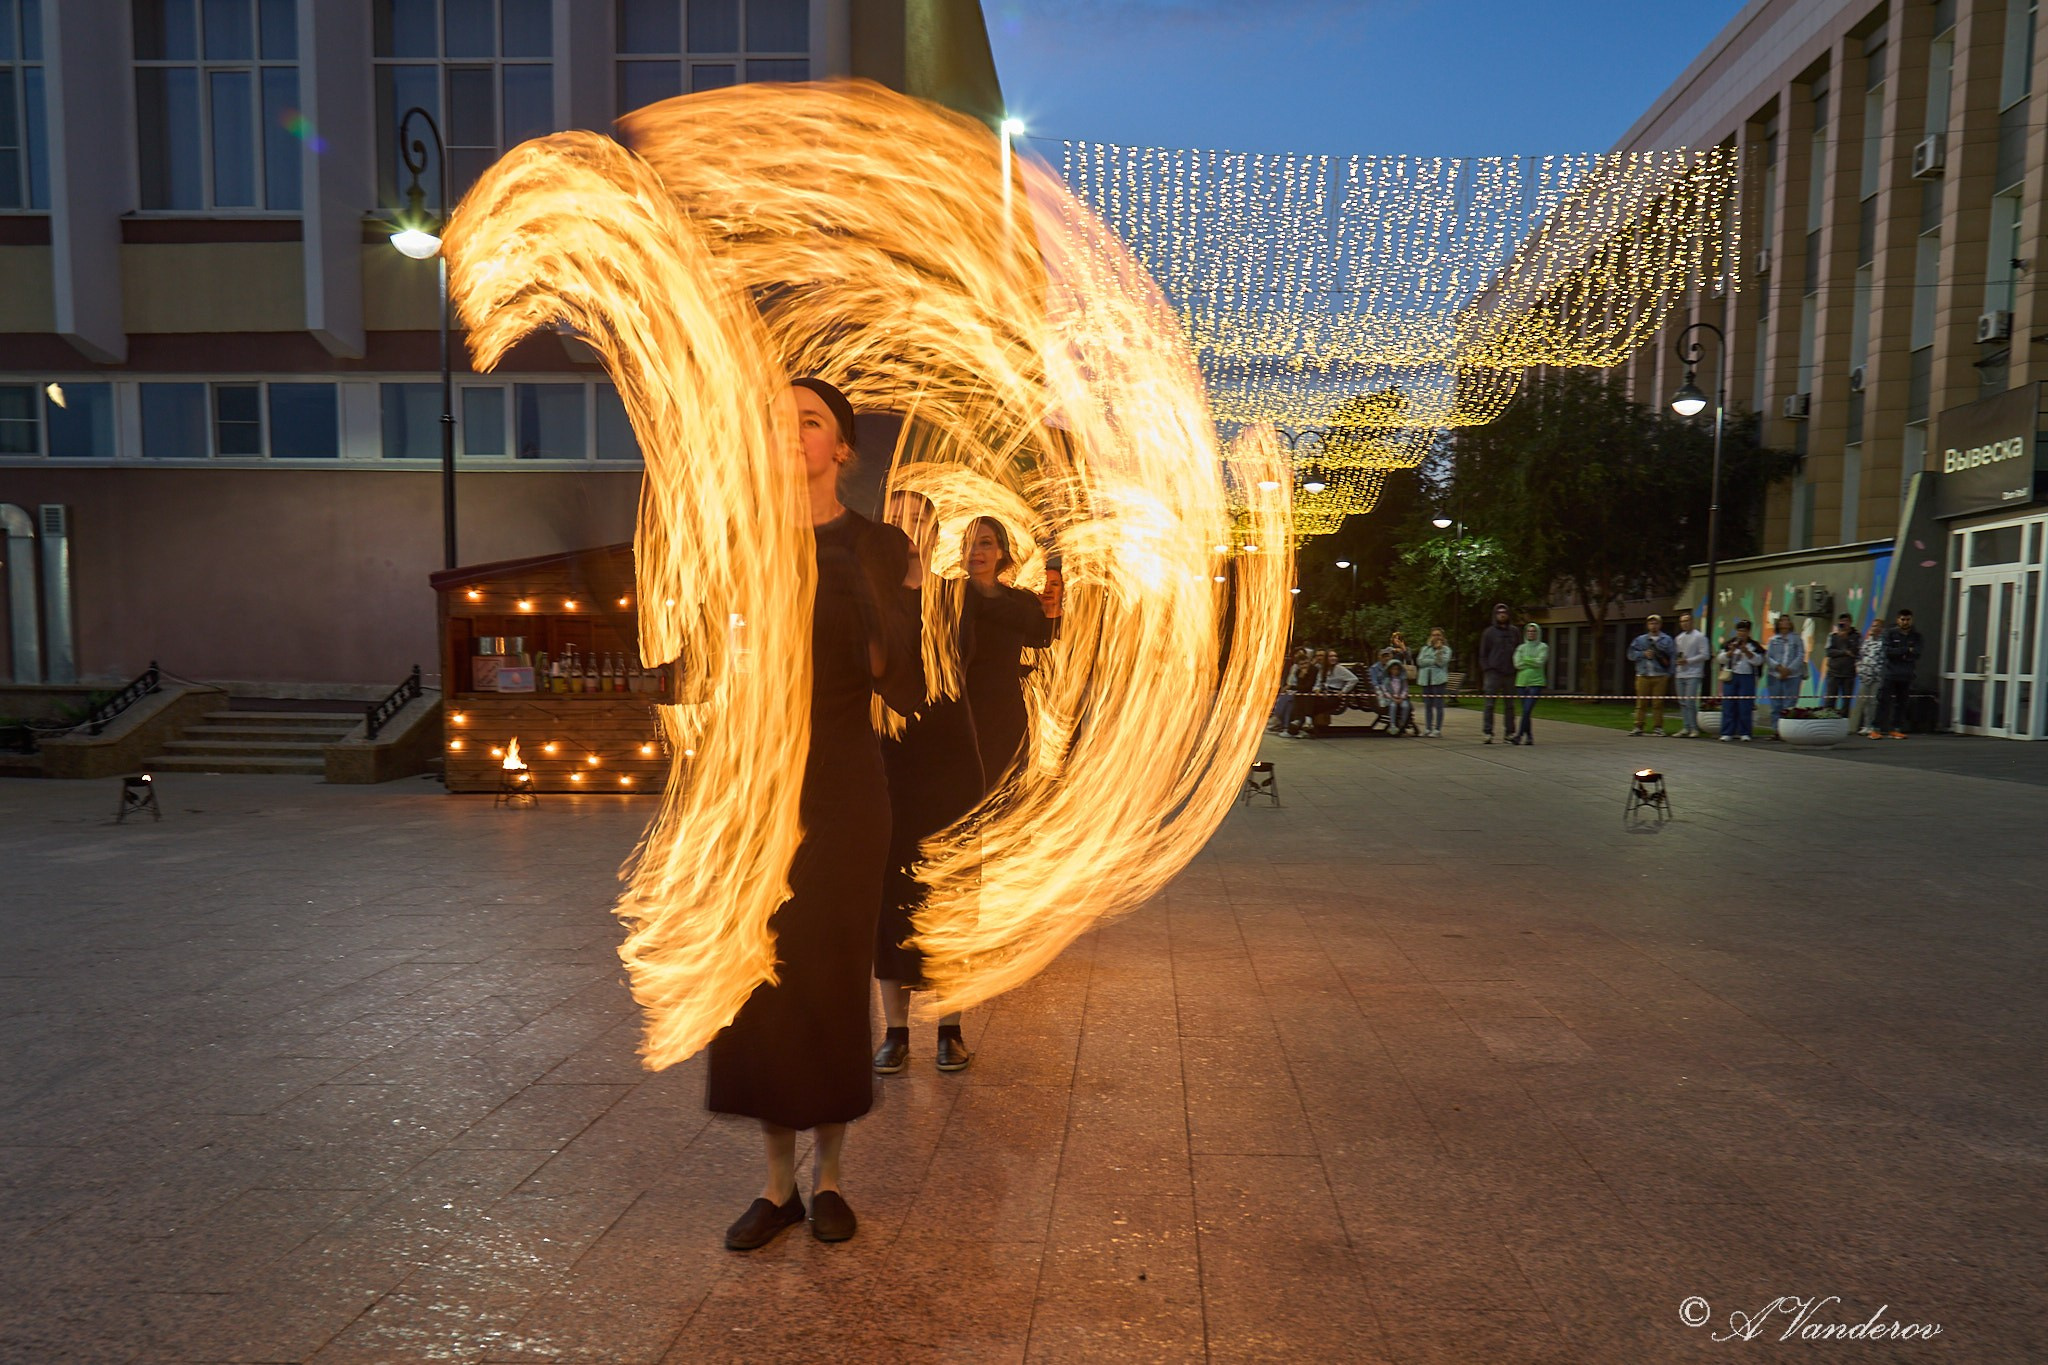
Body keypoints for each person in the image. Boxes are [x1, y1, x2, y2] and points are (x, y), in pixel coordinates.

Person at [711, 377, 923, 1252]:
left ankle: (830, 1177)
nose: (791, 434)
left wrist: (883, 609)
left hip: (840, 780)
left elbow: (903, 683)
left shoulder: (879, 544)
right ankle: (775, 1187)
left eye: (810, 422)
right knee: (763, 979)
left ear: (843, 448)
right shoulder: (739, 542)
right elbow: (713, 661)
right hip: (758, 781)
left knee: (831, 974)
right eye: (777, 422)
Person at [872, 490, 985, 1080]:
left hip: (948, 768)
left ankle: (950, 1028)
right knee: (889, 902)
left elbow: (953, 663)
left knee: (950, 899)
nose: (908, 531)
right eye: (896, 520)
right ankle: (893, 1032)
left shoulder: (957, 598)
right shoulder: (865, 595)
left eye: (918, 520)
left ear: (937, 533)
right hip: (887, 765)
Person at [962, 516, 1059, 781]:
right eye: (969, 544)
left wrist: (1052, 602)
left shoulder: (1019, 600)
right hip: (962, 718)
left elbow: (1042, 637)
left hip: (1006, 719)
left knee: (1003, 794)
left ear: (1000, 552)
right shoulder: (953, 597)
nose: (976, 551)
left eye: (985, 543)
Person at [1874, 607, 1923, 739]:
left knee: (1901, 703)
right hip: (1890, 673)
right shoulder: (1889, 633)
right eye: (1903, 619)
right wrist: (1906, 650)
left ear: (1911, 620)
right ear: (1898, 620)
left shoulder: (1916, 636)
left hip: (1906, 674)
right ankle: (1876, 729)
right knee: (1883, 701)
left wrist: (1900, 652)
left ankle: (1896, 728)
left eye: (1908, 619)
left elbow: (1917, 653)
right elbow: (1888, 652)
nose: (1905, 622)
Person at [1627, 613, 1676, 737]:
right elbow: (1631, 654)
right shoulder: (1640, 640)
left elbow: (1672, 657)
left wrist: (1669, 674)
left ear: (1660, 625)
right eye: (1651, 623)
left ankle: (1658, 727)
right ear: (1647, 625)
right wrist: (1643, 654)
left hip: (1660, 675)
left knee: (1657, 703)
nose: (1653, 625)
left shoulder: (1667, 639)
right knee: (1641, 703)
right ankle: (1638, 726)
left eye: (1656, 623)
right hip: (1643, 674)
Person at [1716, 620, 1764, 742]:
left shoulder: (1754, 646)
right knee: (1729, 704)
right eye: (1739, 630)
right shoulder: (1729, 643)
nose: (1741, 633)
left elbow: (1758, 661)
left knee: (1745, 705)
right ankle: (1727, 732)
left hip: (1746, 677)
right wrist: (1730, 652)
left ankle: (1745, 732)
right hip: (1731, 676)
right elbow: (1720, 659)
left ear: (1748, 632)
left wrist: (1746, 651)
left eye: (1744, 631)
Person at [1478, 603, 1519, 744]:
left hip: (1510, 673)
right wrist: (1487, 669)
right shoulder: (1489, 633)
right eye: (1499, 612)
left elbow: (1519, 650)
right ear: (1495, 615)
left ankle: (1509, 732)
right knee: (1489, 704)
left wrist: (1516, 667)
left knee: (1510, 705)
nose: (1502, 614)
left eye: (1504, 612)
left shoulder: (1514, 632)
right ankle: (1487, 732)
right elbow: (1483, 654)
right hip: (1493, 673)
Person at [1764, 614, 1808, 736]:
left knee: (1789, 704)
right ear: (1778, 624)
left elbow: (1800, 655)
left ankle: (1788, 731)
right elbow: (1768, 657)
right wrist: (1778, 668)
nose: (1785, 622)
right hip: (1775, 675)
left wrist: (1789, 670)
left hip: (1793, 676)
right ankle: (1776, 731)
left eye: (1787, 620)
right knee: (1775, 705)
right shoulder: (1773, 640)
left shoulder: (1797, 639)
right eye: (1782, 620)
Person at [1672, 610, 1711, 738]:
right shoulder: (1679, 638)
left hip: (1693, 673)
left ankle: (1694, 728)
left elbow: (1705, 654)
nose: (1684, 624)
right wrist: (1678, 661)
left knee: (1690, 701)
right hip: (1680, 673)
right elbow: (1678, 654)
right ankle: (1686, 726)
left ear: (1692, 621)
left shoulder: (1699, 636)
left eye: (1686, 621)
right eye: (1682, 621)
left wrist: (1688, 661)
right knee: (1682, 702)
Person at [1510, 622, 1547, 745]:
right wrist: (1531, 661)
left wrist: (1525, 660)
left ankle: (1519, 735)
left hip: (1536, 683)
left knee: (1526, 710)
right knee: (1526, 712)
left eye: (1534, 631)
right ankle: (1529, 736)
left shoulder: (1543, 647)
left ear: (1538, 633)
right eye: (1529, 631)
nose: (1531, 633)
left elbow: (1540, 662)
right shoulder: (1521, 648)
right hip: (1521, 682)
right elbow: (1517, 664)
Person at [1852, 615, 1887, 736]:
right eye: (1873, 626)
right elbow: (1860, 656)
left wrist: (1879, 671)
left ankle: (1872, 725)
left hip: (1877, 676)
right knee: (1864, 700)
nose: (1874, 628)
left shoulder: (1884, 643)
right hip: (1865, 675)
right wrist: (1859, 668)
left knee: (1873, 702)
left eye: (1877, 626)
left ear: (1882, 628)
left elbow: (1884, 658)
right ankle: (1865, 725)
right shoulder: (1867, 642)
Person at [1416, 627, 1452, 737]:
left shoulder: (1446, 650)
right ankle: (1428, 728)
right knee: (1428, 705)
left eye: (1438, 635)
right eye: (1434, 635)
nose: (1436, 637)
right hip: (1426, 680)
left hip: (1438, 680)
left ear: (1442, 637)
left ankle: (1437, 729)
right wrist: (1433, 661)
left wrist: (1439, 651)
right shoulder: (1425, 649)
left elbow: (1441, 663)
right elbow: (1420, 662)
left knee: (1439, 705)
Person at [1822, 613, 1859, 712]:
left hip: (1849, 673)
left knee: (1846, 702)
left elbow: (1855, 651)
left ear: (1850, 622)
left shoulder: (1856, 636)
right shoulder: (1832, 636)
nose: (1844, 623)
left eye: (1846, 621)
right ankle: (1828, 721)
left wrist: (1845, 638)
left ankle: (1844, 722)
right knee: (1830, 700)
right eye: (1842, 621)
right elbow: (1829, 652)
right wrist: (1844, 652)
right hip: (1834, 672)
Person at [1269, 647, 1312, 734]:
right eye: (1297, 653)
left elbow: (1302, 684)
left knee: (1288, 698)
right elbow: (1291, 680)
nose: (1299, 655)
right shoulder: (1295, 667)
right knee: (1286, 699)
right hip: (1295, 689)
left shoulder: (1308, 668)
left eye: (1301, 653)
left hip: (1302, 692)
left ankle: (1278, 719)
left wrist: (1290, 686)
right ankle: (1283, 724)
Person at [1382, 659, 1414, 734]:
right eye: (1393, 669)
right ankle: (1392, 724)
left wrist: (1402, 697)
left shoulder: (1402, 680)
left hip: (1402, 699)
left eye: (1397, 669)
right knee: (1393, 706)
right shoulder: (1387, 680)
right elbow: (1385, 691)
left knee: (1405, 706)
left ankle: (1402, 724)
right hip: (1392, 699)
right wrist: (1392, 698)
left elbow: (1405, 689)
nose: (1395, 671)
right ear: (1389, 670)